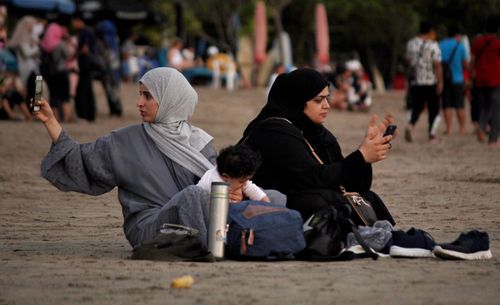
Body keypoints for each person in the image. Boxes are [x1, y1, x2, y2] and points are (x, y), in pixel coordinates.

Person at [35, 67, 221, 251]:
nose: (139, 103)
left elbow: (217, 187)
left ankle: (219, 243)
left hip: (193, 224)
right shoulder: (124, 142)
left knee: (215, 196)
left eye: (147, 96)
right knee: (193, 195)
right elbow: (79, 159)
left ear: (170, 99)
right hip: (149, 230)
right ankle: (214, 248)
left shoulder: (199, 141)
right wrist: (50, 120)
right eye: (139, 95)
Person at [238, 68, 395, 223]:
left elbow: (346, 183)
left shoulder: (316, 132)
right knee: (322, 201)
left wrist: (366, 156)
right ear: (298, 101)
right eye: (318, 100)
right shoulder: (274, 131)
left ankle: (384, 237)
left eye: (327, 98)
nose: (326, 105)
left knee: (366, 197)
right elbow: (314, 178)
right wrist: (360, 157)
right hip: (268, 205)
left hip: (302, 198)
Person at [405, 21, 443, 143]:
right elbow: (437, 65)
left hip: (416, 81)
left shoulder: (411, 43)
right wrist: (440, 81)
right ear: (430, 31)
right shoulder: (433, 45)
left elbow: (408, 61)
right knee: (434, 109)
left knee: (417, 106)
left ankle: (411, 125)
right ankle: (432, 135)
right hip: (430, 81)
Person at [197, 144, 270, 203]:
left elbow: (251, 189)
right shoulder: (214, 183)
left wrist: (267, 203)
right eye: (241, 181)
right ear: (225, 176)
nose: (245, 184)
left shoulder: (234, 177)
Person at [470, 15, 500, 147]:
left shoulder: (478, 41)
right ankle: (493, 139)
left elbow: (472, 60)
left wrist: (471, 76)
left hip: (480, 79)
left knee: (485, 106)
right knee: (496, 109)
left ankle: (481, 126)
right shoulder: (498, 43)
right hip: (495, 79)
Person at [39, 22, 73, 122]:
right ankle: (67, 117)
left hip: (50, 73)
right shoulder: (60, 44)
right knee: (65, 96)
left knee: (54, 96)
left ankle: (55, 118)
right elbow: (68, 55)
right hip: (62, 71)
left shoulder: (43, 44)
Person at [439, 25, 469, 135]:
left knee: (446, 104)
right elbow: (465, 64)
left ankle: (449, 128)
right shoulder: (460, 46)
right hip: (457, 79)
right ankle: (462, 128)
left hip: (445, 79)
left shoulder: (441, 44)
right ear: (457, 35)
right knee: (460, 105)